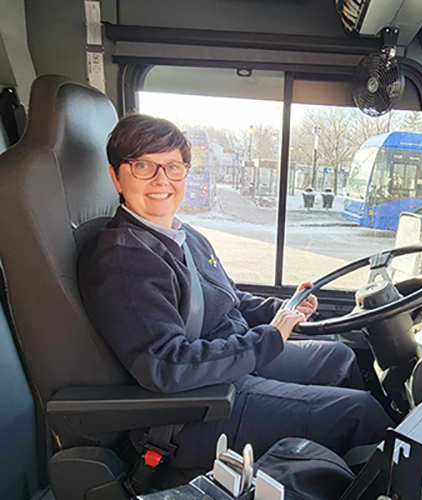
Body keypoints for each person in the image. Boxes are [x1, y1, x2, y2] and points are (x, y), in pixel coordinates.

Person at [78, 114, 393, 480]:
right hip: (197, 406)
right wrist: (269, 338)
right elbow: (166, 365)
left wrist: (283, 309)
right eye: (144, 166)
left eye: (174, 167)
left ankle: (332, 470)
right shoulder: (122, 260)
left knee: (339, 357)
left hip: (230, 362)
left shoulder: (183, 234)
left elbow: (228, 297)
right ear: (117, 176)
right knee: (361, 413)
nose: (162, 180)